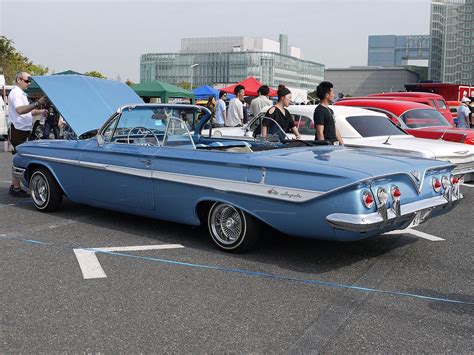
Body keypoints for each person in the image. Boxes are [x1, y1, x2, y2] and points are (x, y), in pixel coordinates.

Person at [7, 72, 47, 197]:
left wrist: (40, 110)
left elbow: (28, 111)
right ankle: (16, 188)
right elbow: (20, 110)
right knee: (19, 157)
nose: (29, 83)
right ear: (18, 80)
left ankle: (15, 186)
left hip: (22, 129)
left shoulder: (22, 94)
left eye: (29, 81)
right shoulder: (16, 93)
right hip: (17, 129)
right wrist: (37, 103)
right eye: (27, 81)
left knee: (19, 157)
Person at [313, 81, 344, 145]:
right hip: (326, 148)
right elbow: (319, 132)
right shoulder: (319, 111)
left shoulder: (330, 110)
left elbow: (334, 128)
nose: (334, 95)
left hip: (333, 146)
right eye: (332, 93)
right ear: (327, 95)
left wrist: (342, 144)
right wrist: (323, 150)